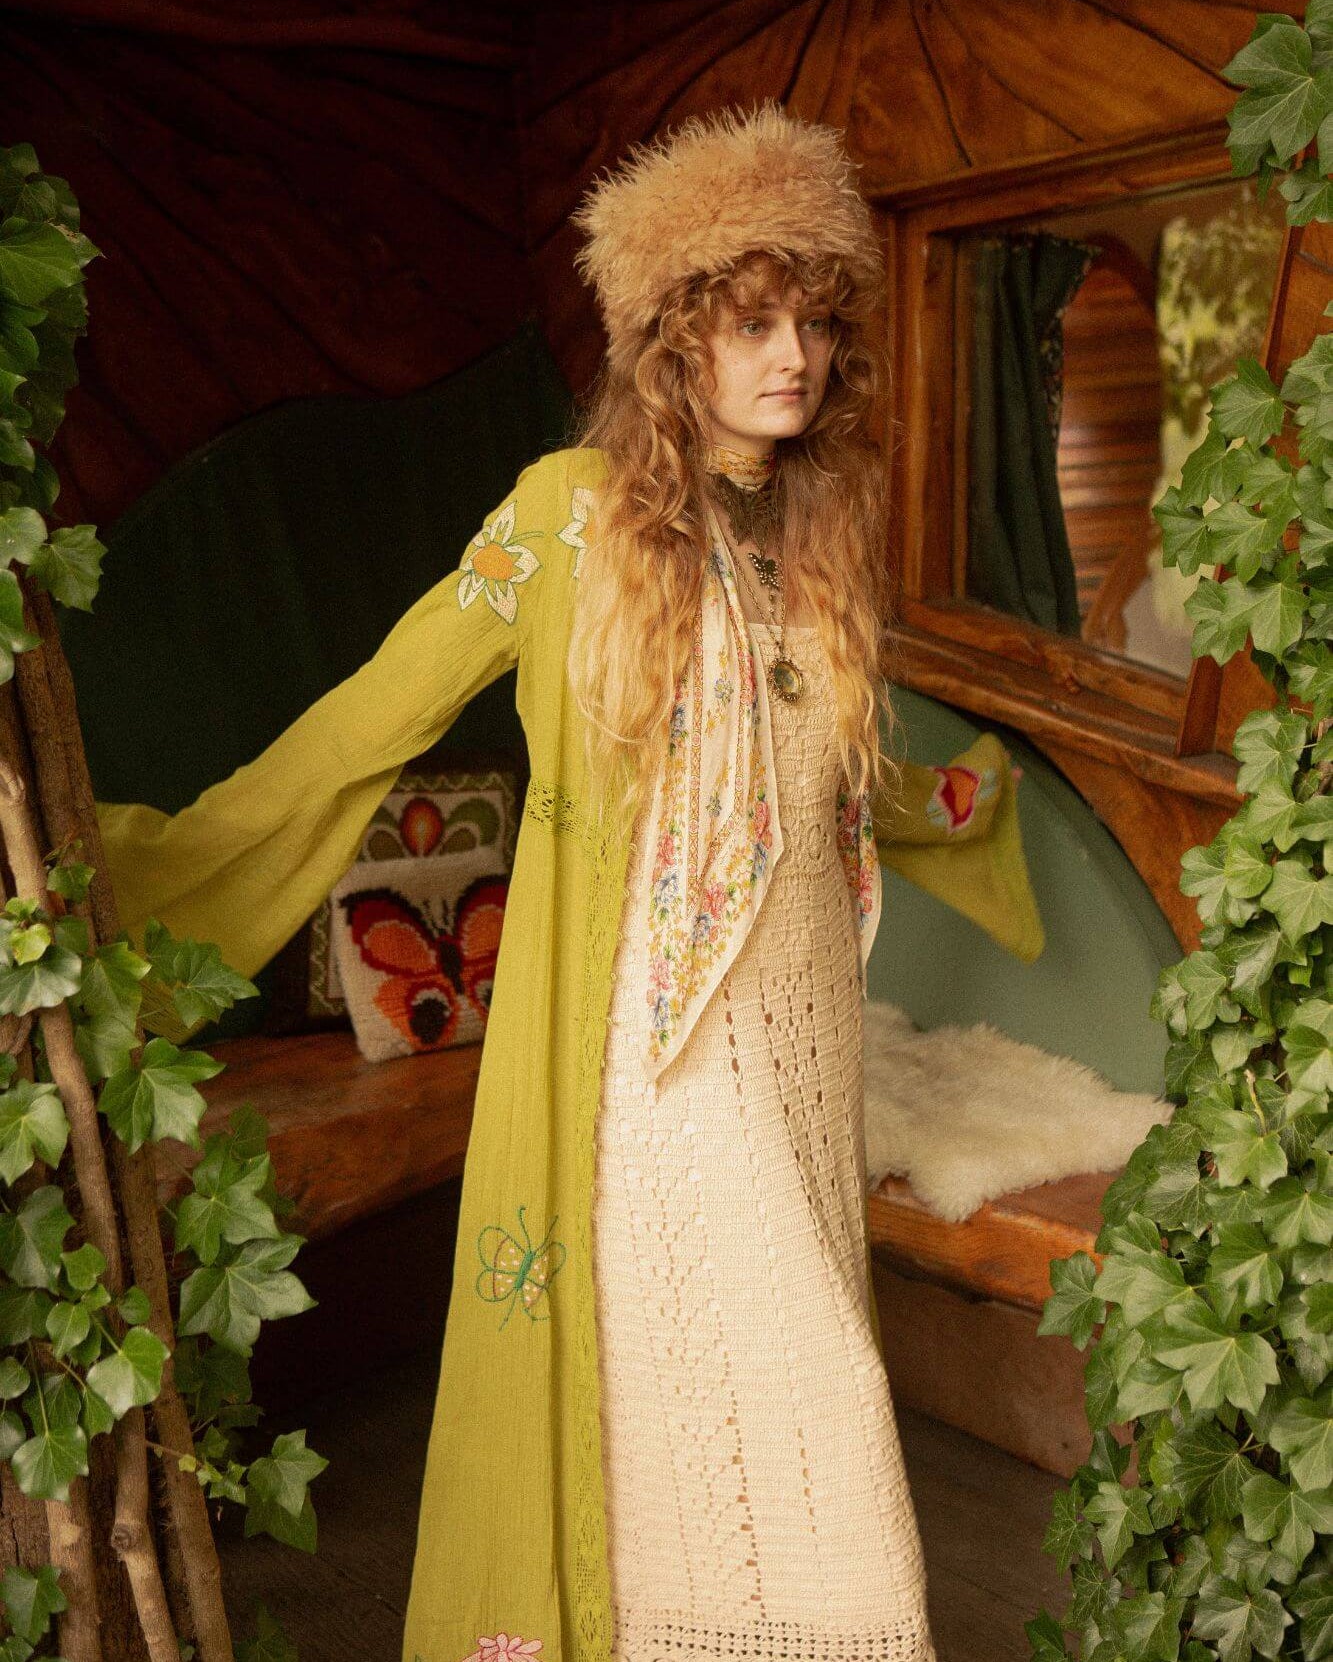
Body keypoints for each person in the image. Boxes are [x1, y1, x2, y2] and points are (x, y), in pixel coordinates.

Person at [97, 101, 1045, 1662]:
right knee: (796, 1369)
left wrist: (947, 799)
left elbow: (805, 766)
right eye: (749, 321)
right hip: (664, 1031)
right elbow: (377, 712)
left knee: (736, 1361)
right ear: (675, 341)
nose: (789, 354)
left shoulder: (814, 534)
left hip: (806, 1016)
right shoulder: (569, 517)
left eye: (811, 319)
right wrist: (168, 860)